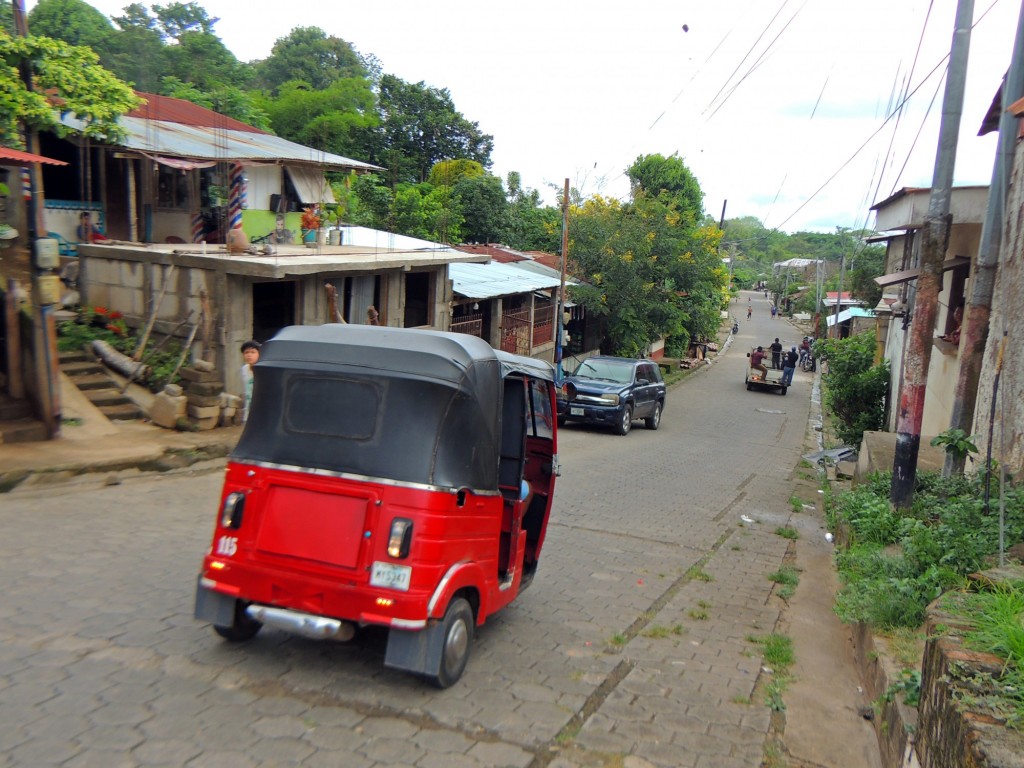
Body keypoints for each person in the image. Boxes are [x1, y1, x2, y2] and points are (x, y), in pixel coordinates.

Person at [239, 340, 261, 423]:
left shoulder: (264, 370)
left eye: (253, 352)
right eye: (246, 352)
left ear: (259, 354)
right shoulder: (244, 369)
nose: (249, 355)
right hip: (249, 408)